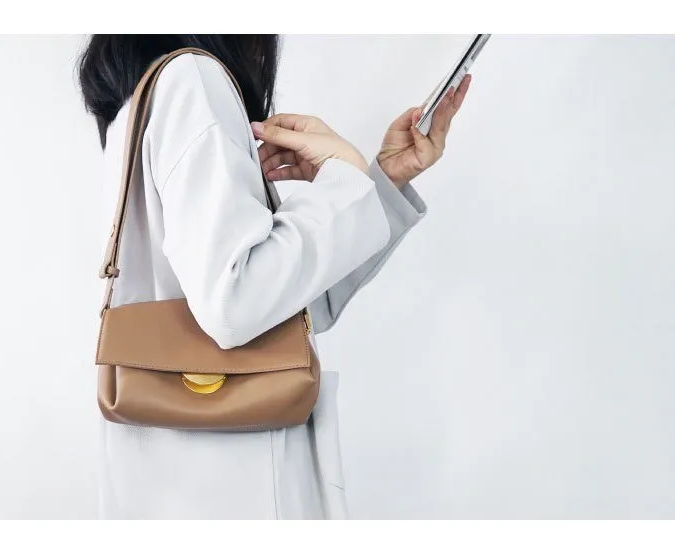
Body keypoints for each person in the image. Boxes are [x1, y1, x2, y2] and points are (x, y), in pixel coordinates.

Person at [78, 34, 471, 519]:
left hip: (186, 480)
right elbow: (236, 304)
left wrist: (380, 183)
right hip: (236, 483)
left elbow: (285, 312)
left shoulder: (147, 95)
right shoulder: (191, 79)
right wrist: (344, 177)